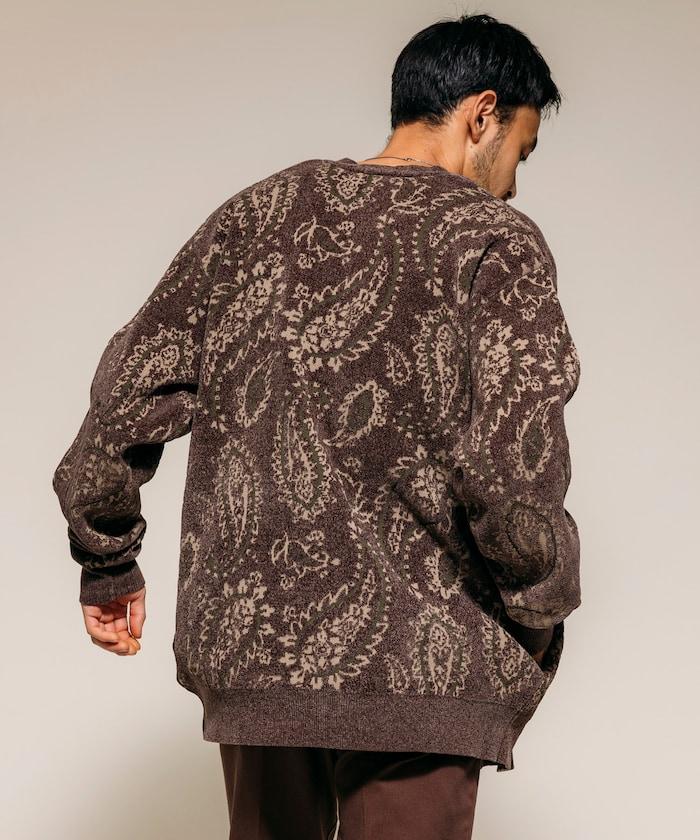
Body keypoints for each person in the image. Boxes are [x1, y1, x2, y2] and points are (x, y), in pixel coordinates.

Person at [52, 12, 582, 840]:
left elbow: (125, 395)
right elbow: (511, 466)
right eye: (521, 149)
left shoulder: (256, 217)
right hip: (424, 666)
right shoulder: (491, 239)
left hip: (256, 654)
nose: (512, 183)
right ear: (484, 113)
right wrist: (542, 601)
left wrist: (107, 560)